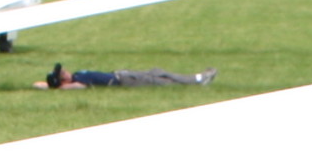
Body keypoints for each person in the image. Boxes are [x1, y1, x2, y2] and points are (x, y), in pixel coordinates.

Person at [36, 64, 216, 88]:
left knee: (158, 72)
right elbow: (68, 88)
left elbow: (37, 84)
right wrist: (56, 87)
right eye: (62, 73)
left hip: (122, 74)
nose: (64, 70)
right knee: (162, 81)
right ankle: (199, 79)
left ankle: (198, 79)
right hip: (125, 80)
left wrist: (50, 85)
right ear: (63, 80)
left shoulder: (77, 75)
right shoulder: (78, 82)